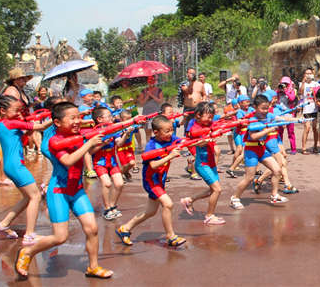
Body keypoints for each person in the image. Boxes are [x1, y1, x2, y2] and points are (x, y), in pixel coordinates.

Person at [16, 101, 112, 280]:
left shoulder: (80, 135)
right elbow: (67, 161)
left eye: (79, 117)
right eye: (72, 118)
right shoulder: (54, 141)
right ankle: (28, 251)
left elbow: (91, 143)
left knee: (92, 229)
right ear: (57, 123)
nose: (77, 121)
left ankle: (93, 266)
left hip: (77, 190)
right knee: (60, 237)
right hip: (59, 192)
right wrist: (88, 142)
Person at [116, 115, 186, 248]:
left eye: (172, 130)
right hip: (151, 181)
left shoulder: (171, 138)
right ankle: (171, 236)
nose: (171, 133)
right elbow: (153, 165)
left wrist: (202, 141)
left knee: (150, 211)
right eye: (167, 131)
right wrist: (170, 156)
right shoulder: (151, 145)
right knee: (168, 204)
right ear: (156, 132)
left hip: (160, 180)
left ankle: (125, 228)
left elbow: (184, 141)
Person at [0, 95, 52, 246]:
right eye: (16, 110)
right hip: (16, 166)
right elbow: (42, 127)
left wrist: (30, 123)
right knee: (36, 196)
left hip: (11, 165)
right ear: (3, 110)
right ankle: (30, 234)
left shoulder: (2, 123)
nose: (19, 114)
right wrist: (57, 116)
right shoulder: (11, 123)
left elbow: (23, 133)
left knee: (28, 197)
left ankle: (3, 225)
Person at [230, 95, 294, 209]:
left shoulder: (269, 115)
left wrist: (292, 119)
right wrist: (269, 129)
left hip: (262, 149)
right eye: (262, 108)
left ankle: (274, 195)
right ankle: (235, 197)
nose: (265, 111)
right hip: (251, 151)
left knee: (277, 170)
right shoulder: (252, 119)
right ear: (255, 107)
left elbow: (279, 118)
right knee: (249, 178)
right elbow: (254, 136)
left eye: (267, 108)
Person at [179, 102, 225, 226]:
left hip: (211, 163)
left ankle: (189, 200)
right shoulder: (195, 128)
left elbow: (219, 124)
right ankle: (209, 216)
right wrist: (204, 140)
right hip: (202, 164)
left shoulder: (208, 124)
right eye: (208, 116)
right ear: (198, 115)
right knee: (217, 190)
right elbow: (193, 142)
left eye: (211, 117)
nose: (210, 119)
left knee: (212, 190)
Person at [89, 107, 132, 221]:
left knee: (119, 184)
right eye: (108, 116)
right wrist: (103, 143)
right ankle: (107, 209)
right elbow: (90, 152)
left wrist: (126, 134)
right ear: (99, 119)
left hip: (112, 162)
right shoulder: (94, 133)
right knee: (107, 184)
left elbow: (119, 144)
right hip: (100, 163)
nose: (112, 118)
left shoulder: (114, 130)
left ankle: (113, 205)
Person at [137, 76, 163, 148]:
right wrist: (147, 96)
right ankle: (149, 147)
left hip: (156, 113)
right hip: (147, 113)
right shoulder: (144, 91)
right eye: (149, 82)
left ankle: (158, 146)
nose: (151, 83)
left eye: (152, 81)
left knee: (158, 131)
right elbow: (141, 103)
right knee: (148, 132)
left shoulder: (159, 90)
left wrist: (152, 95)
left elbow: (160, 101)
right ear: (147, 82)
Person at [275, 77, 299, 153]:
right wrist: (278, 90)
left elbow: (292, 99)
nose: (284, 85)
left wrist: (286, 91)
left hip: (289, 113)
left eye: (286, 84)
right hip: (280, 113)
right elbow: (274, 97)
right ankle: (280, 148)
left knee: (290, 132)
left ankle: (293, 149)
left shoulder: (291, 91)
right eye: (283, 83)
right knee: (279, 132)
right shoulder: (278, 91)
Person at [299, 69, 320, 154]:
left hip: (314, 108)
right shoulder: (302, 84)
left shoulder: (316, 83)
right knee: (307, 128)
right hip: (306, 109)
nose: (308, 75)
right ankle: (303, 148)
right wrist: (303, 82)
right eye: (307, 73)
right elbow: (300, 93)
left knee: (315, 128)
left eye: (310, 73)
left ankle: (315, 146)